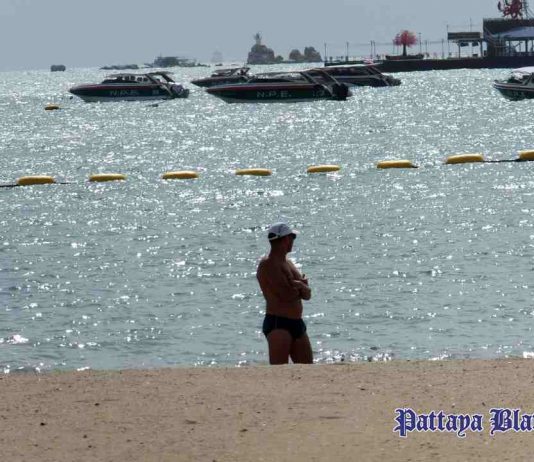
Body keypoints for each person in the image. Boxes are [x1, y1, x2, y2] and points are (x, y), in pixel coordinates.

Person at [256, 223, 313, 365]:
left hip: (297, 323)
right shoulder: (268, 264)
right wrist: (301, 287)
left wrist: (300, 286)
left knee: (307, 369)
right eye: (292, 237)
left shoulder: (289, 263)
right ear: (285, 239)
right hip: (278, 323)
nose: (293, 241)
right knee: (279, 371)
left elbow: (307, 295)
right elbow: (286, 295)